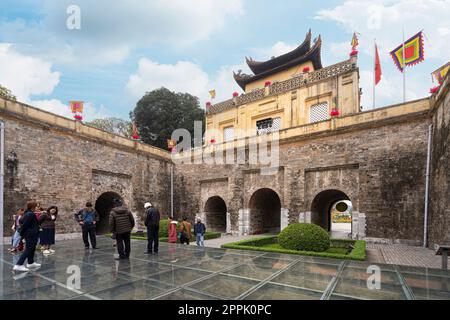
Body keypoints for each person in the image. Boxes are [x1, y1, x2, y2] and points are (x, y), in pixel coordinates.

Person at [13, 201, 41, 272]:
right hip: (30, 234)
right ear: (32, 207)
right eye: (36, 206)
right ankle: (19, 265)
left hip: (31, 234)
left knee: (32, 248)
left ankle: (30, 262)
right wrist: (22, 234)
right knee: (28, 249)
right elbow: (24, 225)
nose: (37, 207)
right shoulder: (29, 214)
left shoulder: (28, 213)